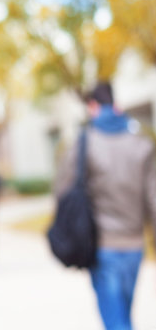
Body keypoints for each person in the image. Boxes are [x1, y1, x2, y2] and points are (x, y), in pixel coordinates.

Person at [54, 82, 156, 330]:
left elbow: (62, 190)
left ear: (93, 106)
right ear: (116, 105)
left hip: (102, 246)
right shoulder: (142, 144)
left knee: (116, 323)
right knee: (123, 317)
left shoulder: (84, 144)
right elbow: (153, 198)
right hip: (134, 246)